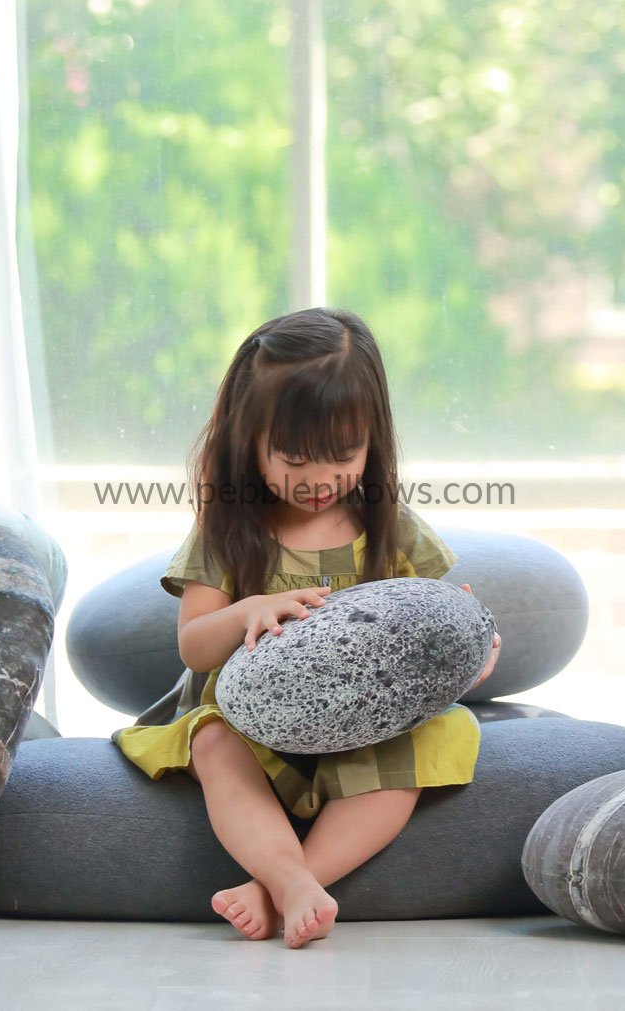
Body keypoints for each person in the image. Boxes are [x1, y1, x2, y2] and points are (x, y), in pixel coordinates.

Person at [111, 306, 502, 949]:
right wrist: (243, 614)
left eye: (342, 455)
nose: (319, 479)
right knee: (211, 746)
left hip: (363, 731)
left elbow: (435, 613)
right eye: (293, 458)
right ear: (249, 443)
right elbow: (193, 645)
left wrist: (474, 641)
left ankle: (286, 886)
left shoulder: (388, 525)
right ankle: (289, 883)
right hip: (252, 729)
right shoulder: (231, 530)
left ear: (374, 438)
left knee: (428, 744)